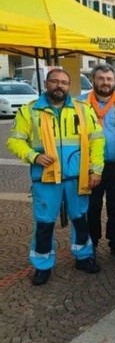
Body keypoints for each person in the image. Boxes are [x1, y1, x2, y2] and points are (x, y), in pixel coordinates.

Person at [7, 68, 104, 285]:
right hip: (46, 179)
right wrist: (33, 156)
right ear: (47, 83)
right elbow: (14, 141)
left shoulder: (82, 109)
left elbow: (97, 140)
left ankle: (83, 256)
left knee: (80, 219)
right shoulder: (29, 111)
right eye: (55, 81)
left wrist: (96, 170)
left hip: (76, 178)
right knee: (44, 223)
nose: (59, 85)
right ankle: (43, 265)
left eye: (64, 82)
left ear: (69, 86)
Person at [78, 64, 115, 259]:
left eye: (109, 79)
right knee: (90, 207)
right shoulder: (79, 103)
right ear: (93, 80)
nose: (105, 82)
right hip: (88, 166)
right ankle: (90, 244)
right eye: (101, 78)